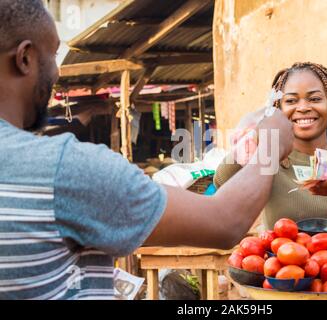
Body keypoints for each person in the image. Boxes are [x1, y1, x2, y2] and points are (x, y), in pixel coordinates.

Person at [0, 0, 293, 299]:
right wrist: (272, 144)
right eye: (52, 55)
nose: (58, 72)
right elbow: (226, 221)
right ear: (25, 58)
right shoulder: (66, 169)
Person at [214, 62, 327, 229]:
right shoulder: (269, 158)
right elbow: (221, 181)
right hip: (283, 261)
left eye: (315, 99)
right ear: (278, 109)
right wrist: (255, 138)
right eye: (291, 101)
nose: (303, 107)